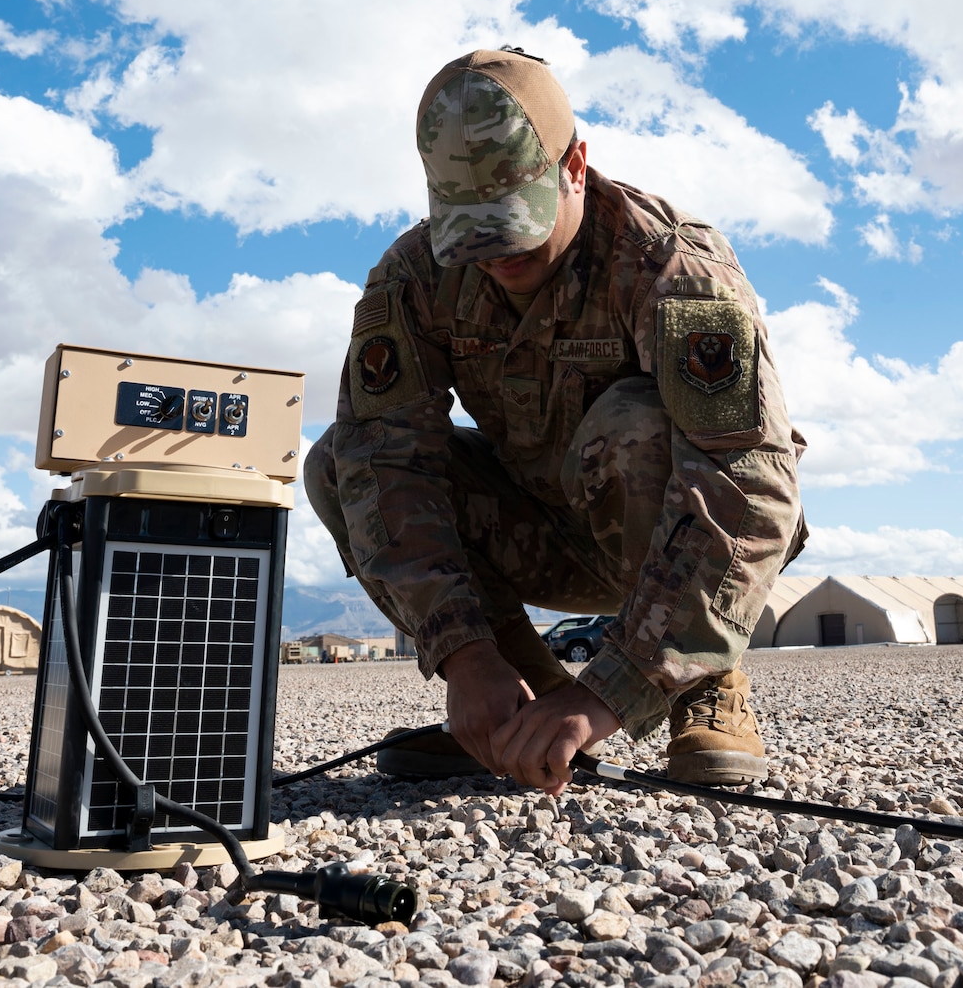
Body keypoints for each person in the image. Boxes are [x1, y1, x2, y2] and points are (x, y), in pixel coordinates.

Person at [306, 47, 807, 794]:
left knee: (632, 426)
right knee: (340, 464)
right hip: (535, 528)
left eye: (515, 222)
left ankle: (703, 684)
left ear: (576, 163)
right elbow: (385, 464)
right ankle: (520, 702)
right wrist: (467, 657)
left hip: (665, 525)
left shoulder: (670, 265)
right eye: (468, 232)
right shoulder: (414, 280)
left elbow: (748, 480)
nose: (495, 255)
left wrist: (610, 689)